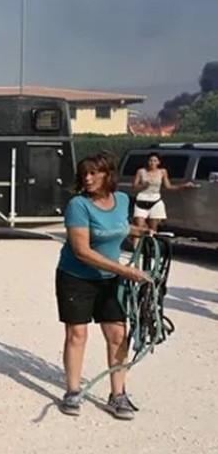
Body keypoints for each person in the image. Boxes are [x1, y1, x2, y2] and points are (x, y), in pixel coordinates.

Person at [55, 152, 153, 420]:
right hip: (76, 278)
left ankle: (118, 394)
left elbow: (118, 228)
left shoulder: (121, 200)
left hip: (110, 279)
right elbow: (82, 250)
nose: (88, 178)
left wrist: (145, 234)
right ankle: (73, 391)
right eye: (84, 174)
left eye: (94, 173)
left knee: (118, 336)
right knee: (77, 335)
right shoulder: (78, 205)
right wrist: (125, 270)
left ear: (108, 174)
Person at [130, 152, 198, 245]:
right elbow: (134, 187)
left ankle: (150, 248)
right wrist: (143, 186)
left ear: (158, 162)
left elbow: (168, 186)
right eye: (150, 160)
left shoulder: (162, 172)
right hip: (142, 200)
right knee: (139, 226)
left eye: (154, 161)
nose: (152, 163)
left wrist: (183, 186)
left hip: (155, 200)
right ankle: (136, 249)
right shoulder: (141, 171)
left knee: (152, 229)